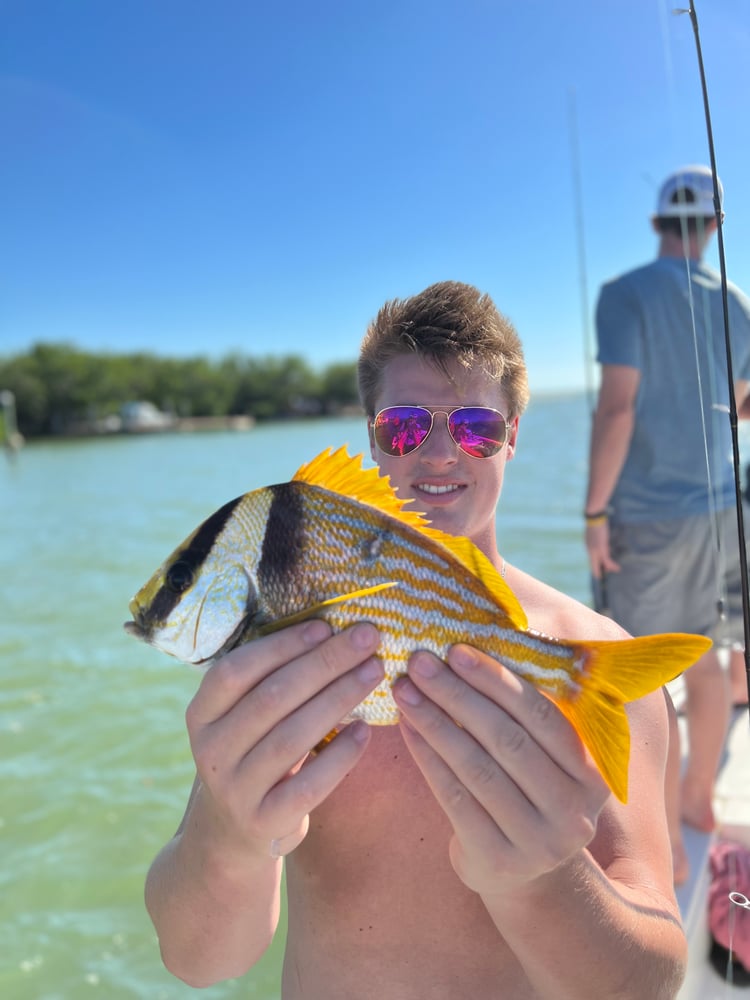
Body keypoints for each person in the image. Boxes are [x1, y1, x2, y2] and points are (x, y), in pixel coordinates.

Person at [145, 281, 688, 998]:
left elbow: (649, 981)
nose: (437, 453)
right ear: (373, 436)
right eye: (404, 426)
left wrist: (547, 883)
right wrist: (231, 836)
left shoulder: (595, 657)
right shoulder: (305, 650)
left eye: (475, 428)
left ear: (513, 435)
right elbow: (199, 960)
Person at [584, 166, 750, 885]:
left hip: (647, 519)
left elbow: (617, 407)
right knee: (709, 655)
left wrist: (594, 512)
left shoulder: (623, 295)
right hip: (721, 511)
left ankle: (655, 830)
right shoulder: (738, 304)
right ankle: (697, 798)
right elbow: (744, 404)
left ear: (657, 225)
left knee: (643, 675)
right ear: (713, 226)